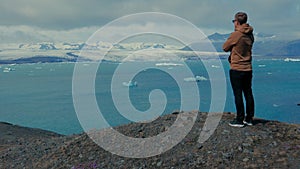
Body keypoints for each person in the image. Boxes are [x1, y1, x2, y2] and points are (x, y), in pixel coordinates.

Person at [223, 12, 255, 127]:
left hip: (236, 68)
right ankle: (249, 118)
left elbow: (225, 47)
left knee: (238, 94)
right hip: (248, 68)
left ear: (237, 21)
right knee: (248, 92)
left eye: (234, 21)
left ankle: (239, 120)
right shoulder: (250, 34)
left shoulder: (236, 34)